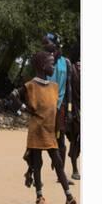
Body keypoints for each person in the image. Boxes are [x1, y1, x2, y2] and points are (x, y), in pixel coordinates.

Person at [10, 51, 80, 204]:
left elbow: (53, 110)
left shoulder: (54, 87)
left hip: (50, 131)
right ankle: (39, 196)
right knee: (37, 164)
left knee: (58, 164)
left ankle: (69, 197)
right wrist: (25, 108)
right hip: (36, 131)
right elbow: (13, 95)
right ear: (42, 66)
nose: (53, 66)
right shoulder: (30, 86)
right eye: (51, 63)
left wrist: (58, 128)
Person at [42, 32, 74, 183]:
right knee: (38, 140)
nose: (45, 46)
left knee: (60, 141)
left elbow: (68, 88)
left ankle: (61, 176)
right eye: (44, 44)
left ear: (55, 44)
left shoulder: (66, 62)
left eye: (47, 42)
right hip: (44, 105)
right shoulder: (43, 60)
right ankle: (33, 172)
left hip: (60, 105)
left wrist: (68, 110)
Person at [66, 43, 81, 180]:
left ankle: (73, 155)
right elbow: (69, 90)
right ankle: (74, 168)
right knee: (74, 140)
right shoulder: (72, 69)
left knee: (78, 142)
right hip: (74, 109)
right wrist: (69, 109)